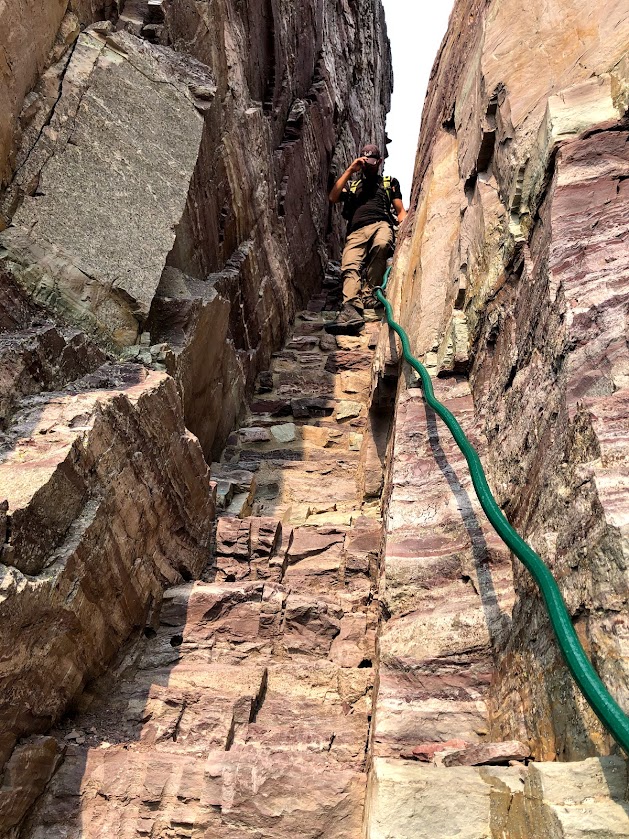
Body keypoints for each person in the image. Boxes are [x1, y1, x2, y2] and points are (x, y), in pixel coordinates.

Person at [326, 144, 407, 334]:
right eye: (365, 160)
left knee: (381, 245)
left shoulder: (389, 182)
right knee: (349, 265)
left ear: (379, 161)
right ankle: (351, 309)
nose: (369, 163)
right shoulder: (353, 186)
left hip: (381, 224)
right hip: (356, 231)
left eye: (372, 160)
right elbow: (333, 196)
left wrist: (405, 231)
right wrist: (350, 170)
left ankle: (370, 293)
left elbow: (400, 211)